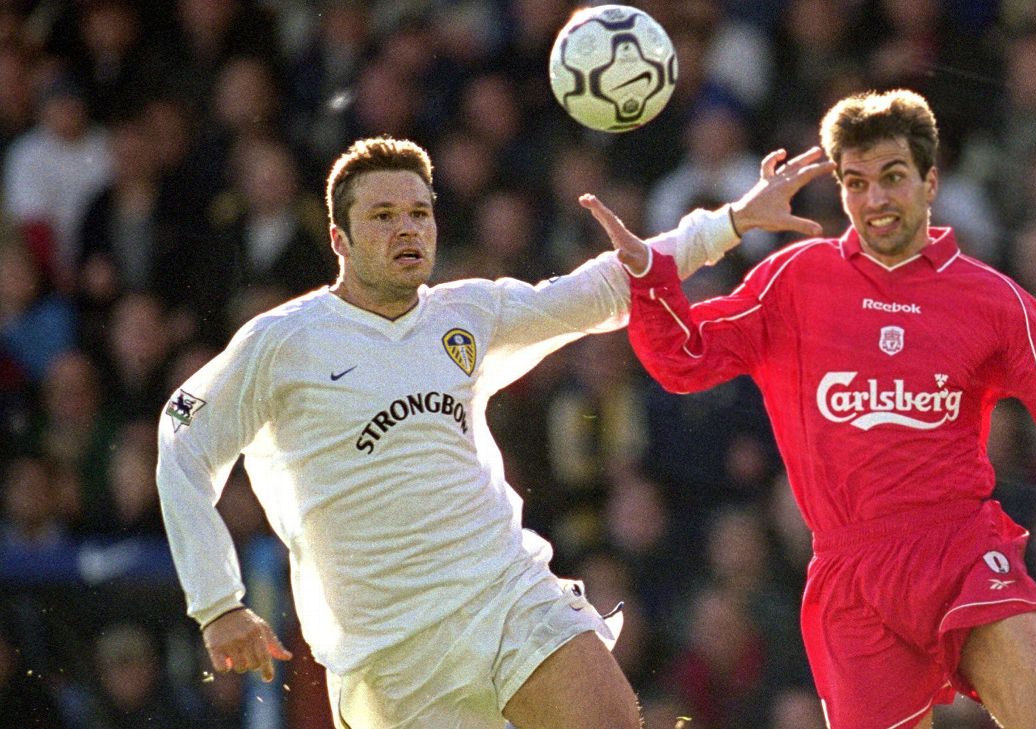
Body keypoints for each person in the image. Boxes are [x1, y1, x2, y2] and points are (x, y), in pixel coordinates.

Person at [154, 135, 832, 729]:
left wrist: (731, 221)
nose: (407, 229)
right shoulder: (280, 342)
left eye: (419, 212)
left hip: (503, 591)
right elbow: (183, 437)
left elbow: (596, 290)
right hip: (388, 647)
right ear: (339, 239)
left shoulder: (467, 313)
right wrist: (217, 601)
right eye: (383, 216)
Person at [588, 89, 1036, 728]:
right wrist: (650, 274)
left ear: (930, 181)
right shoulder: (795, 280)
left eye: (893, 178)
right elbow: (685, 358)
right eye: (856, 182)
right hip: (852, 576)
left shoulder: (991, 298)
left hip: (960, 548)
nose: (876, 200)